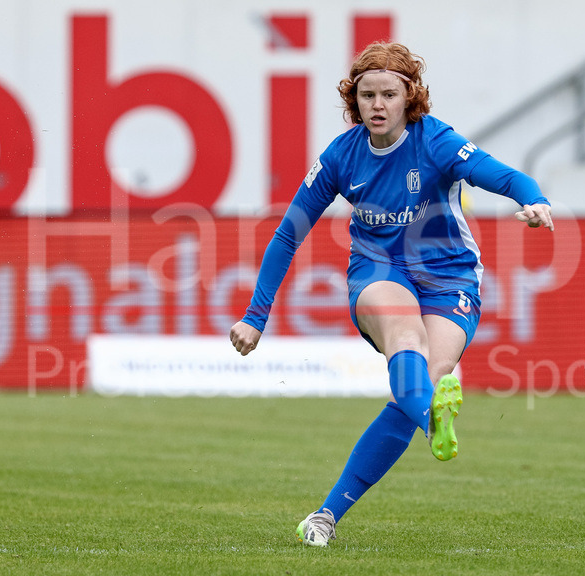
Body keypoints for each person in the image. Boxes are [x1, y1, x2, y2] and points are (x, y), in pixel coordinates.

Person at [229, 42, 553, 547]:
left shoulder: (436, 142)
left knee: (413, 389)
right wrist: (255, 315)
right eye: (366, 95)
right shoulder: (342, 155)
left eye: (388, 94)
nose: (376, 105)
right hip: (380, 273)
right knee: (405, 335)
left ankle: (327, 513)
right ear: (353, 101)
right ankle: (427, 414)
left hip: (450, 277)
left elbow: (503, 175)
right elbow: (289, 232)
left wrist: (533, 200)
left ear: (410, 98)